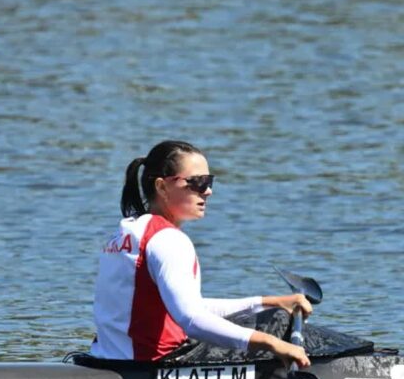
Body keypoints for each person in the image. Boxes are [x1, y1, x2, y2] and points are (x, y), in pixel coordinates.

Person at [91, 140, 312, 366]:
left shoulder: (125, 232)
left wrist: (268, 301)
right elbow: (192, 319)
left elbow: (185, 305)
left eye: (209, 181)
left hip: (107, 360)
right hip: (154, 365)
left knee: (273, 311)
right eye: (197, 182)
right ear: (162, 187)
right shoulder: (168, 240)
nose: (208, 191)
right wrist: (272, 342)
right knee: (277, 321)